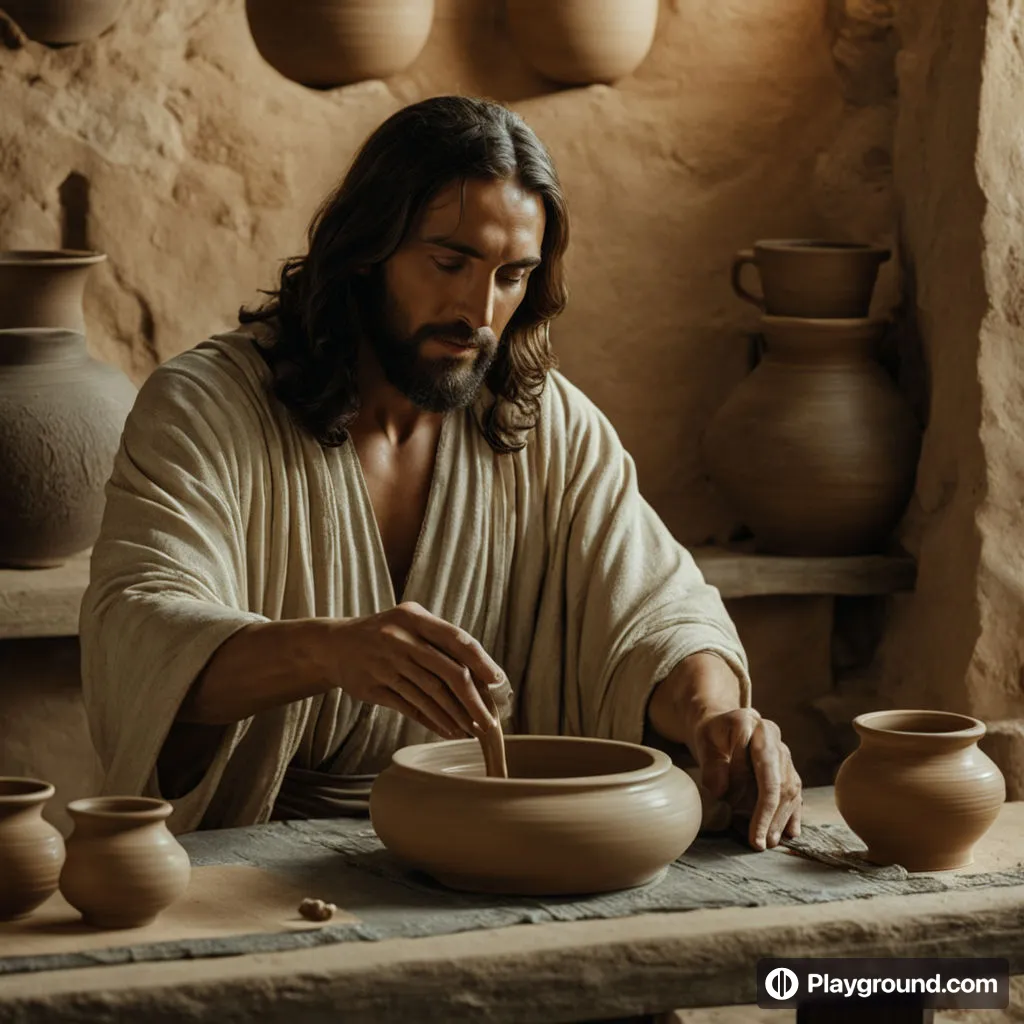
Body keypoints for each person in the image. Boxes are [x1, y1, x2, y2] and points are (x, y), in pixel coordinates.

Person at [80, 95, 802, 849]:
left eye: (512, 276)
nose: (478, 311)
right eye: (449, 262)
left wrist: (715, 715)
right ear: (367, 248)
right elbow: (142, 632)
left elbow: (658, 609)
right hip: (255, 856)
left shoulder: (538, 424)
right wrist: (329, 651)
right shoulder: (206, 409)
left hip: (480, 845)